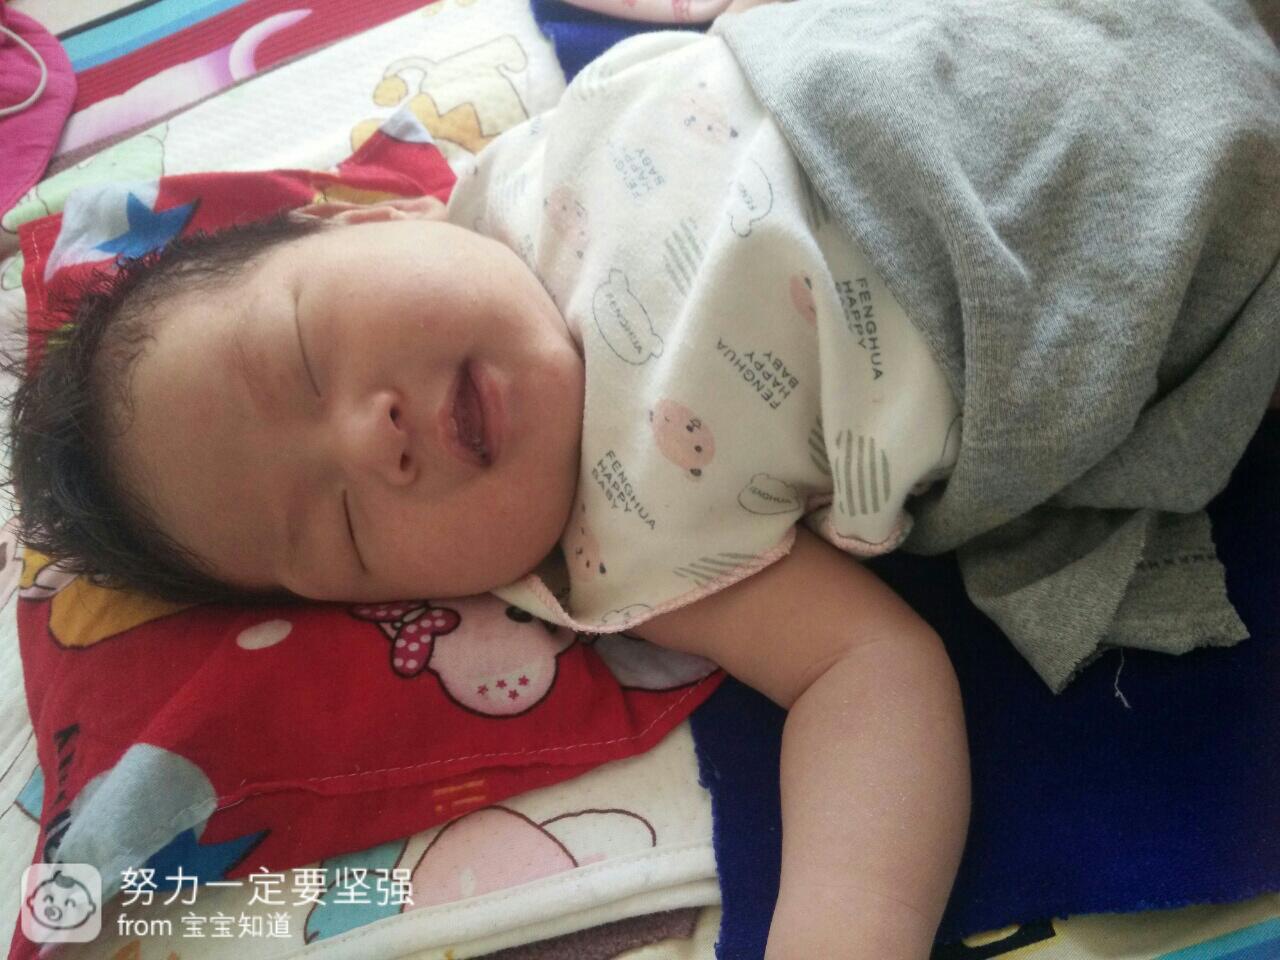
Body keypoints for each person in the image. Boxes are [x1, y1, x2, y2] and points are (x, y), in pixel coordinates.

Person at [6, 1, 1277, 956]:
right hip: (1141, 243)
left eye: (300, 355)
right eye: (341, 524)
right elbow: (865, 678)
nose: (370, 439)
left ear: (358, 223)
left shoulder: (518, 164)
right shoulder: (618, 544)